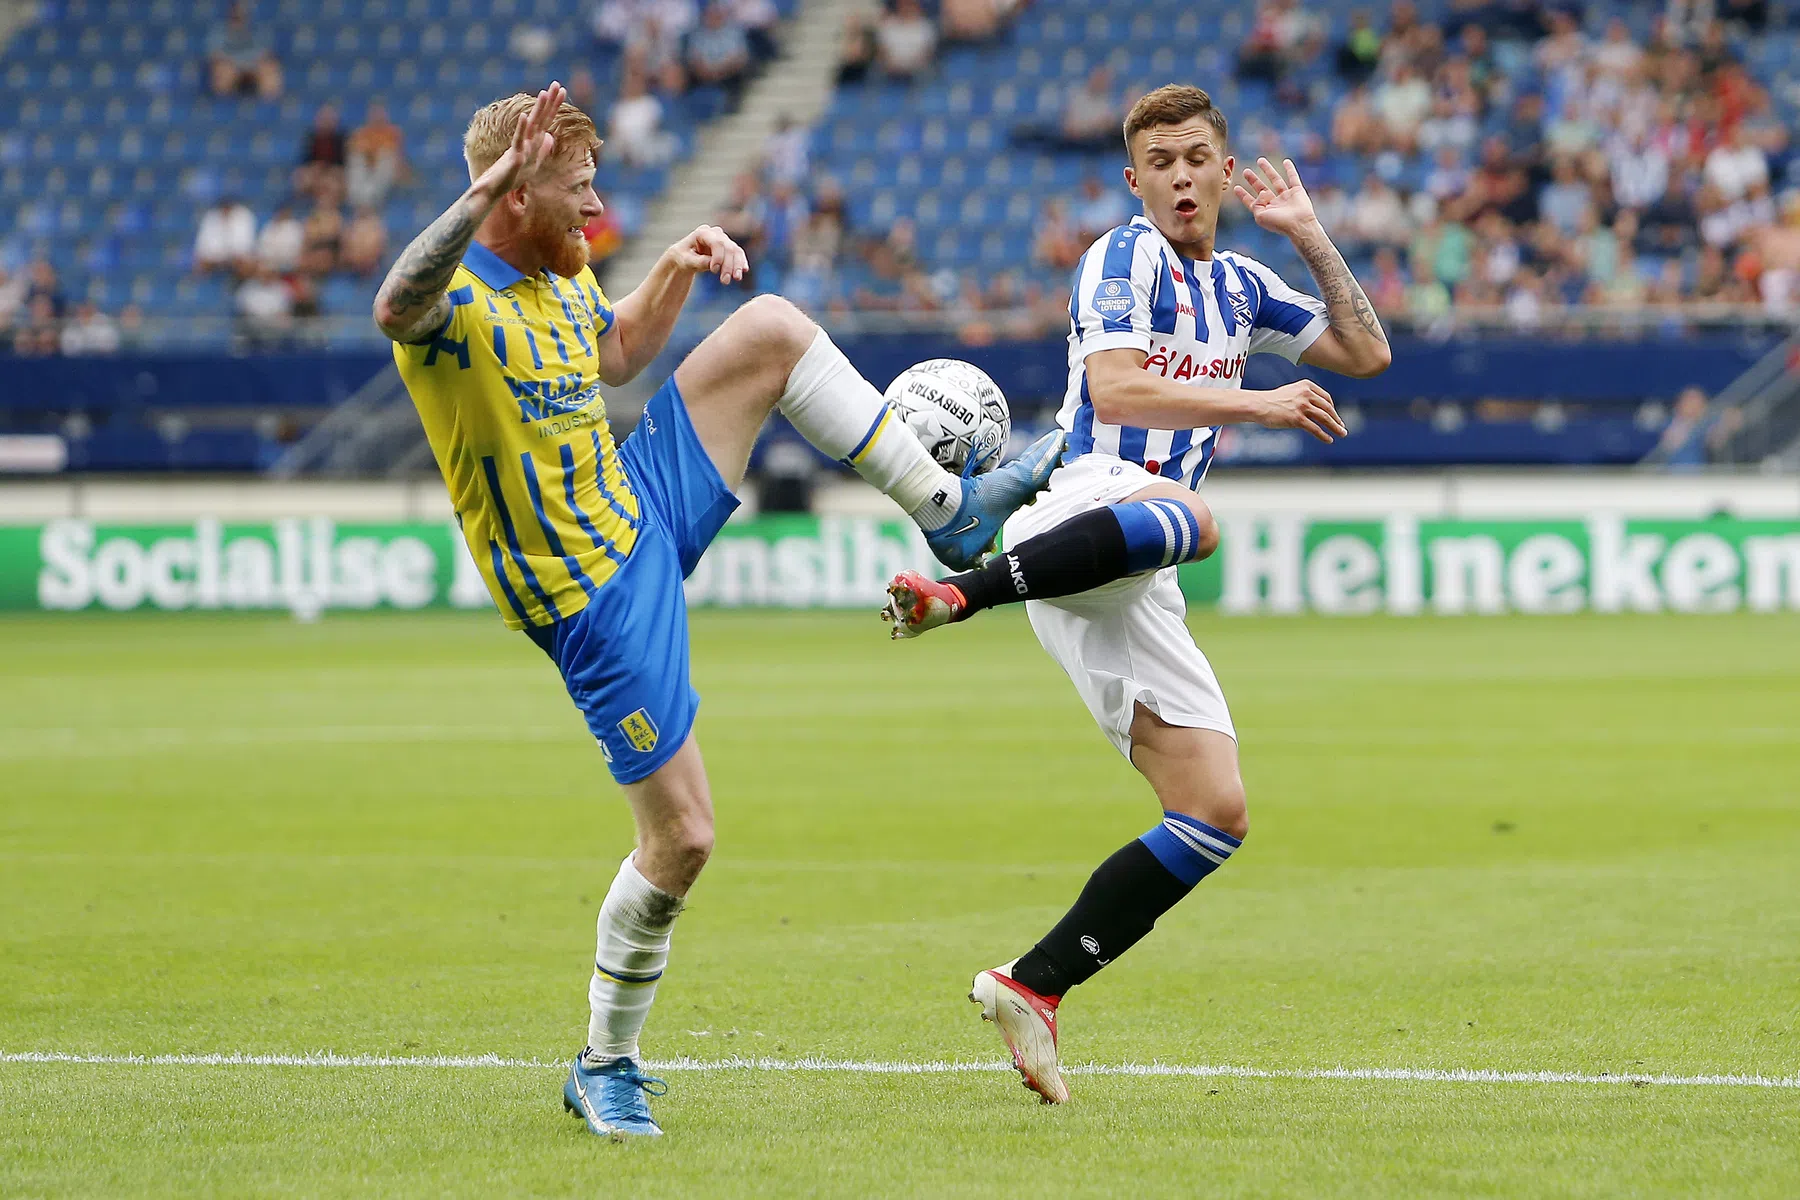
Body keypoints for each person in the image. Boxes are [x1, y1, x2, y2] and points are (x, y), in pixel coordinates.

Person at [371, 83, 1063, 1138]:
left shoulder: (564, 277)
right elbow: (393, 305)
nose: (595, 208)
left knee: (773, 328)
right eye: (575, 188)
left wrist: (673, 269)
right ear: (510, 195)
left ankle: (951, 514)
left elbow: (612, 356)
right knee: (684, 837)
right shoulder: (456, 312)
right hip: (590, 598)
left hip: (638, 499)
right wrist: (483, 194)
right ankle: (604, 1063)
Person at [879, 85, 1390, 1104]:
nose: (1181, 176)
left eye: (1198, 156)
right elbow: (1115, 390)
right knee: (1200, 521)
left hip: (1128, 573)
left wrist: (1310, 234)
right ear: (1135, 181)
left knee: (1213, 811)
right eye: (1160, 162)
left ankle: (1034, 986)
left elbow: (1368, 351)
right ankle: (959, 596)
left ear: (1226, 167)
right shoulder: (1125, 258)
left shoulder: (1245, 285)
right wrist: (1259, 399)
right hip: (1088, 506)